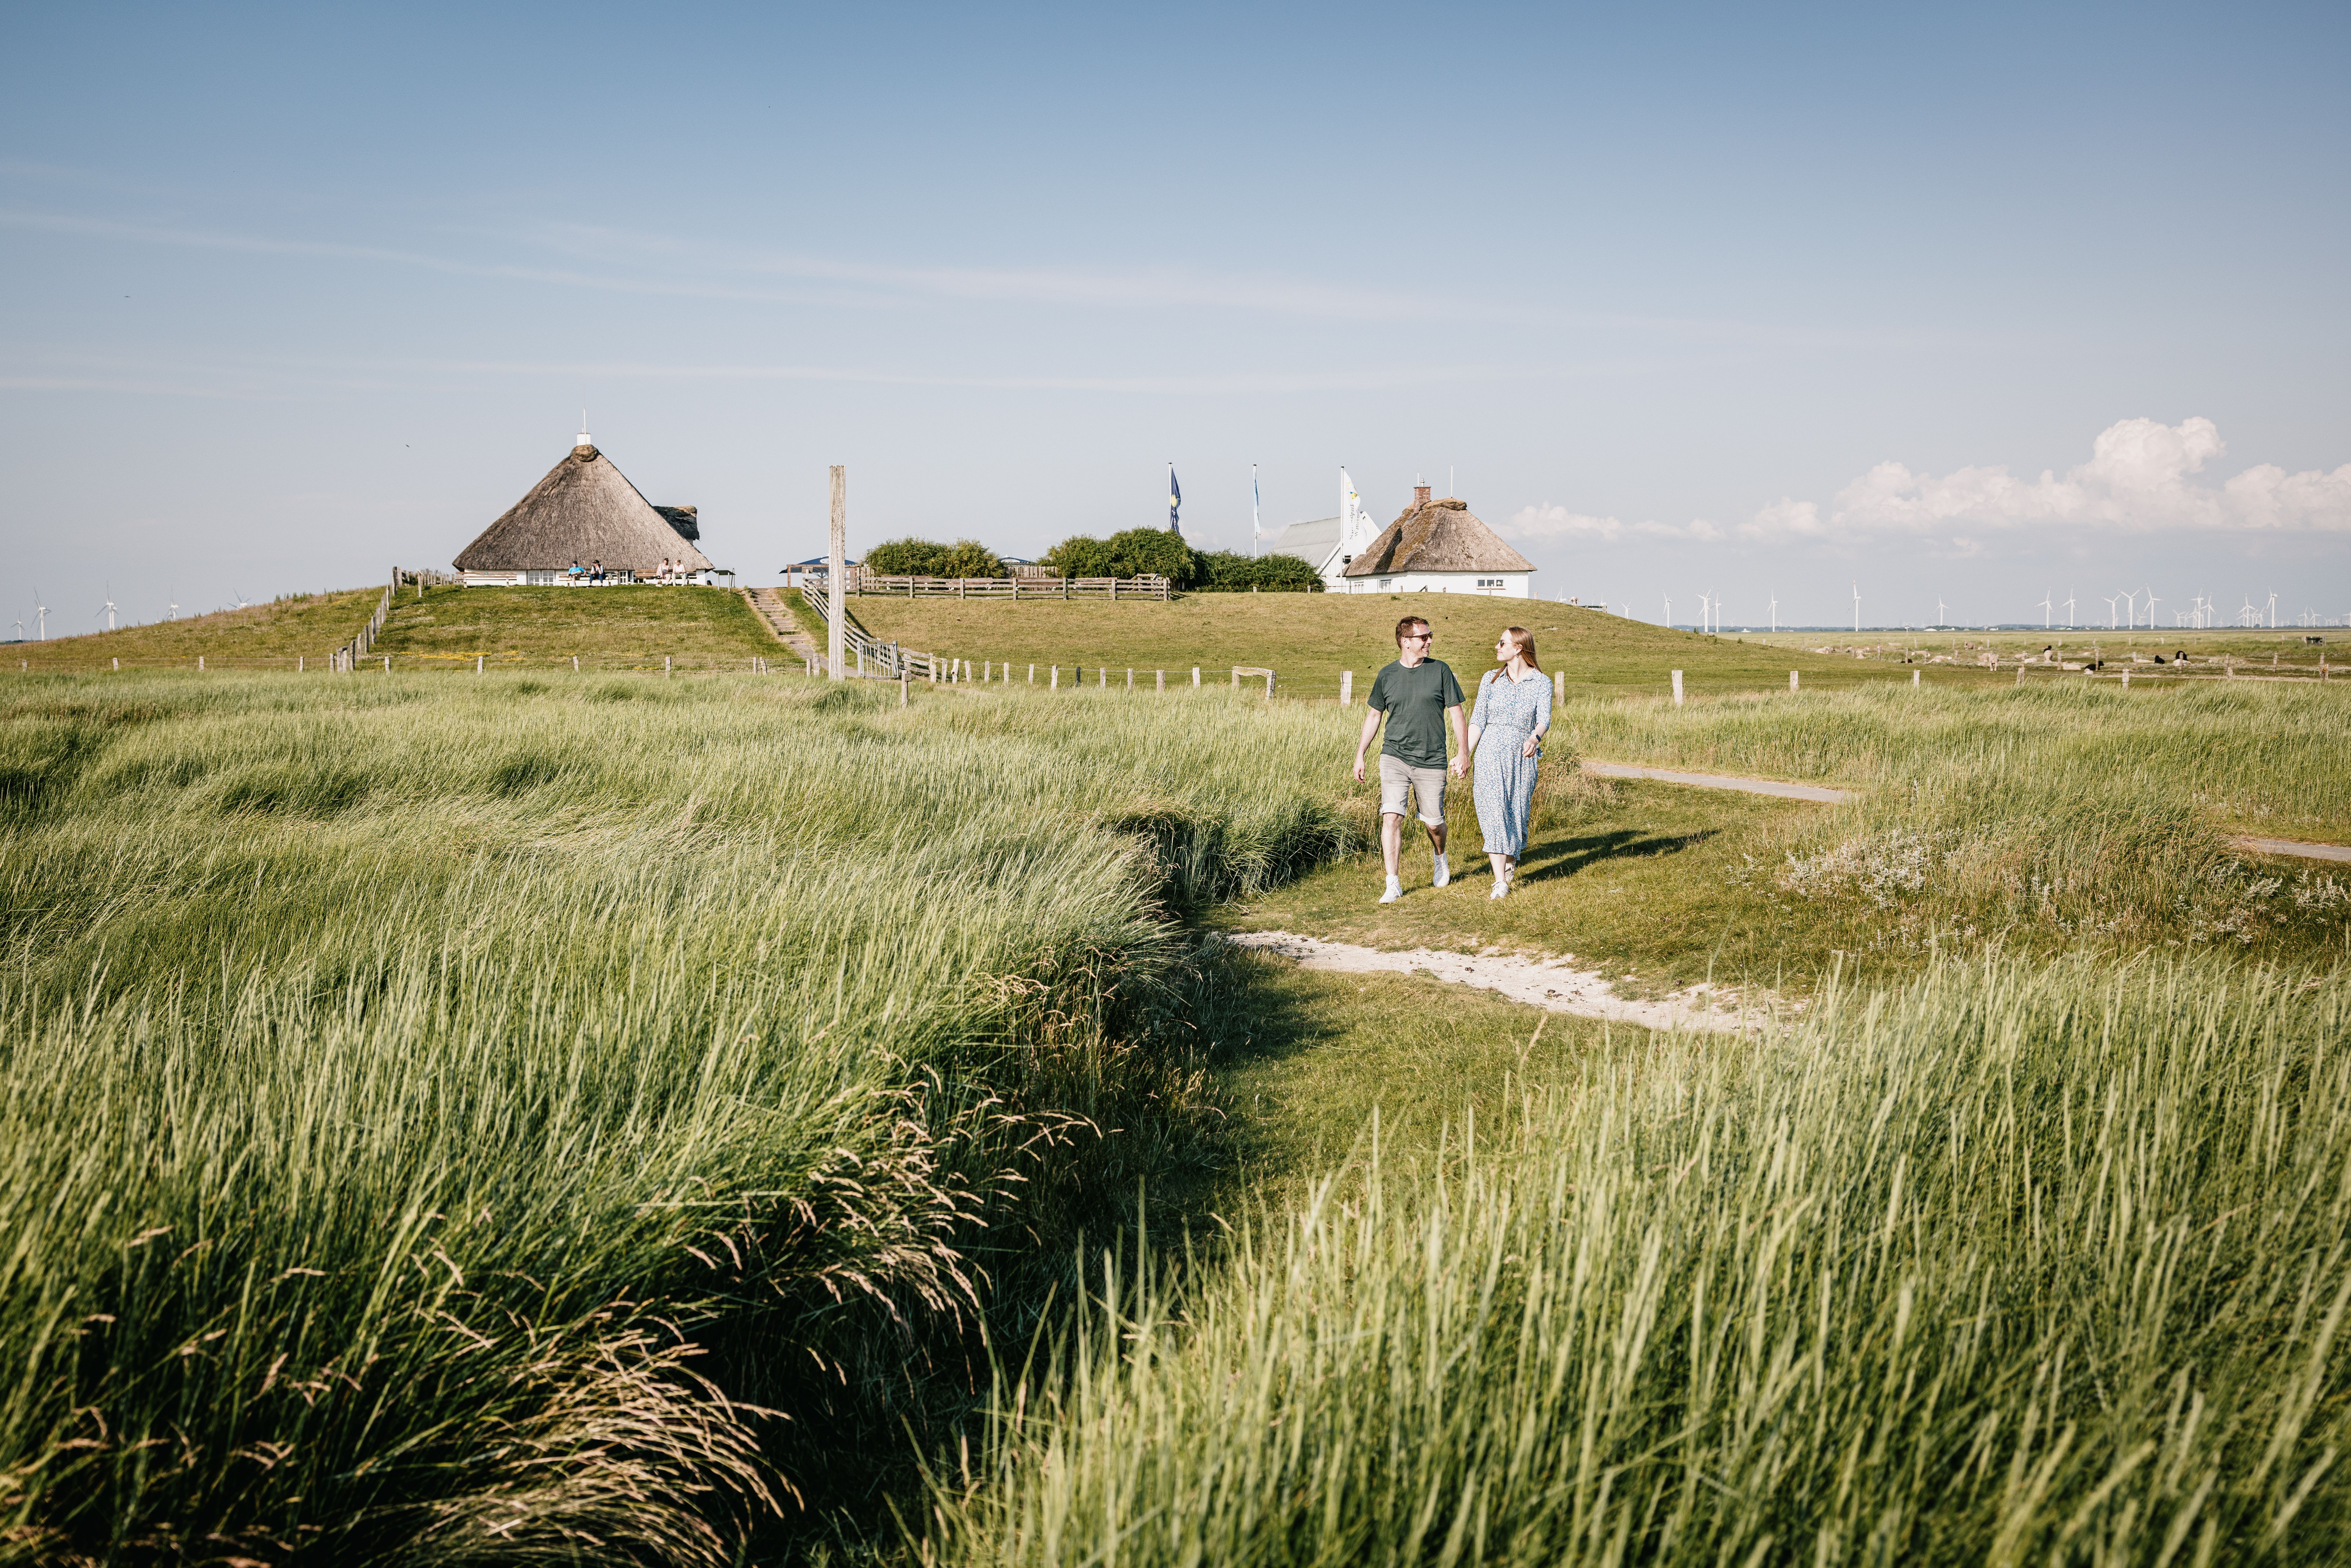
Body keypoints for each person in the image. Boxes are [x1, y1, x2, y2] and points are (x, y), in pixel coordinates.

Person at [1352, 615, 1467, 903]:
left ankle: (1440, 856)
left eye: (1430, 636)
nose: (1430, 641)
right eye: (1424, 637)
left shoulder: (1441, 671)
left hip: (1432, 759)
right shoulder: (1387, 675)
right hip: (1395, 756)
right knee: (1391, 816)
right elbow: (1375, 715)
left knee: (1434, 823)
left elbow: (1456, 713)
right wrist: (1360, 754)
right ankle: (1393, 883)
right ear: (1405, 642)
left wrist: (1464, 753)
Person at [1466, 627, 1551, 898]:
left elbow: (1544, 718)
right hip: (1490, 752)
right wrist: (1465, 753)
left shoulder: (1541, 682)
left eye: (1502, 642)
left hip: (1522, 755)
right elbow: (1478, 719)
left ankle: (1511, 856)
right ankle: (1499, 881)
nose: (1496, 646)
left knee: (1516, 811)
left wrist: (1535, 738)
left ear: (1518, 648)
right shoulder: (1490, 679)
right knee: (1493, 811)